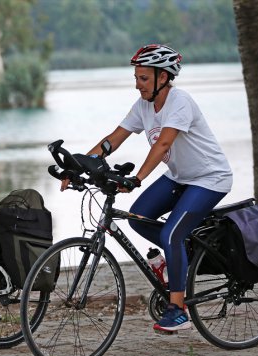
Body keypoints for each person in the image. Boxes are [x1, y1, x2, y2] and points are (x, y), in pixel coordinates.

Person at [64, 44, 232, 332]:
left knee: (171, 233)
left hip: (210, 178)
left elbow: (164, 142)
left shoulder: (180, 101)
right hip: (180, 176)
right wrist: (78, 166)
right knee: (139, 216)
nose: (137, 85)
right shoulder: (143, 106)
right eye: (136, 78)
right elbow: (113, 139)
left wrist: (138, 177)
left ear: (163, 77)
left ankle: (178, 310)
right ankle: (179, 255)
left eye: (143, 78)